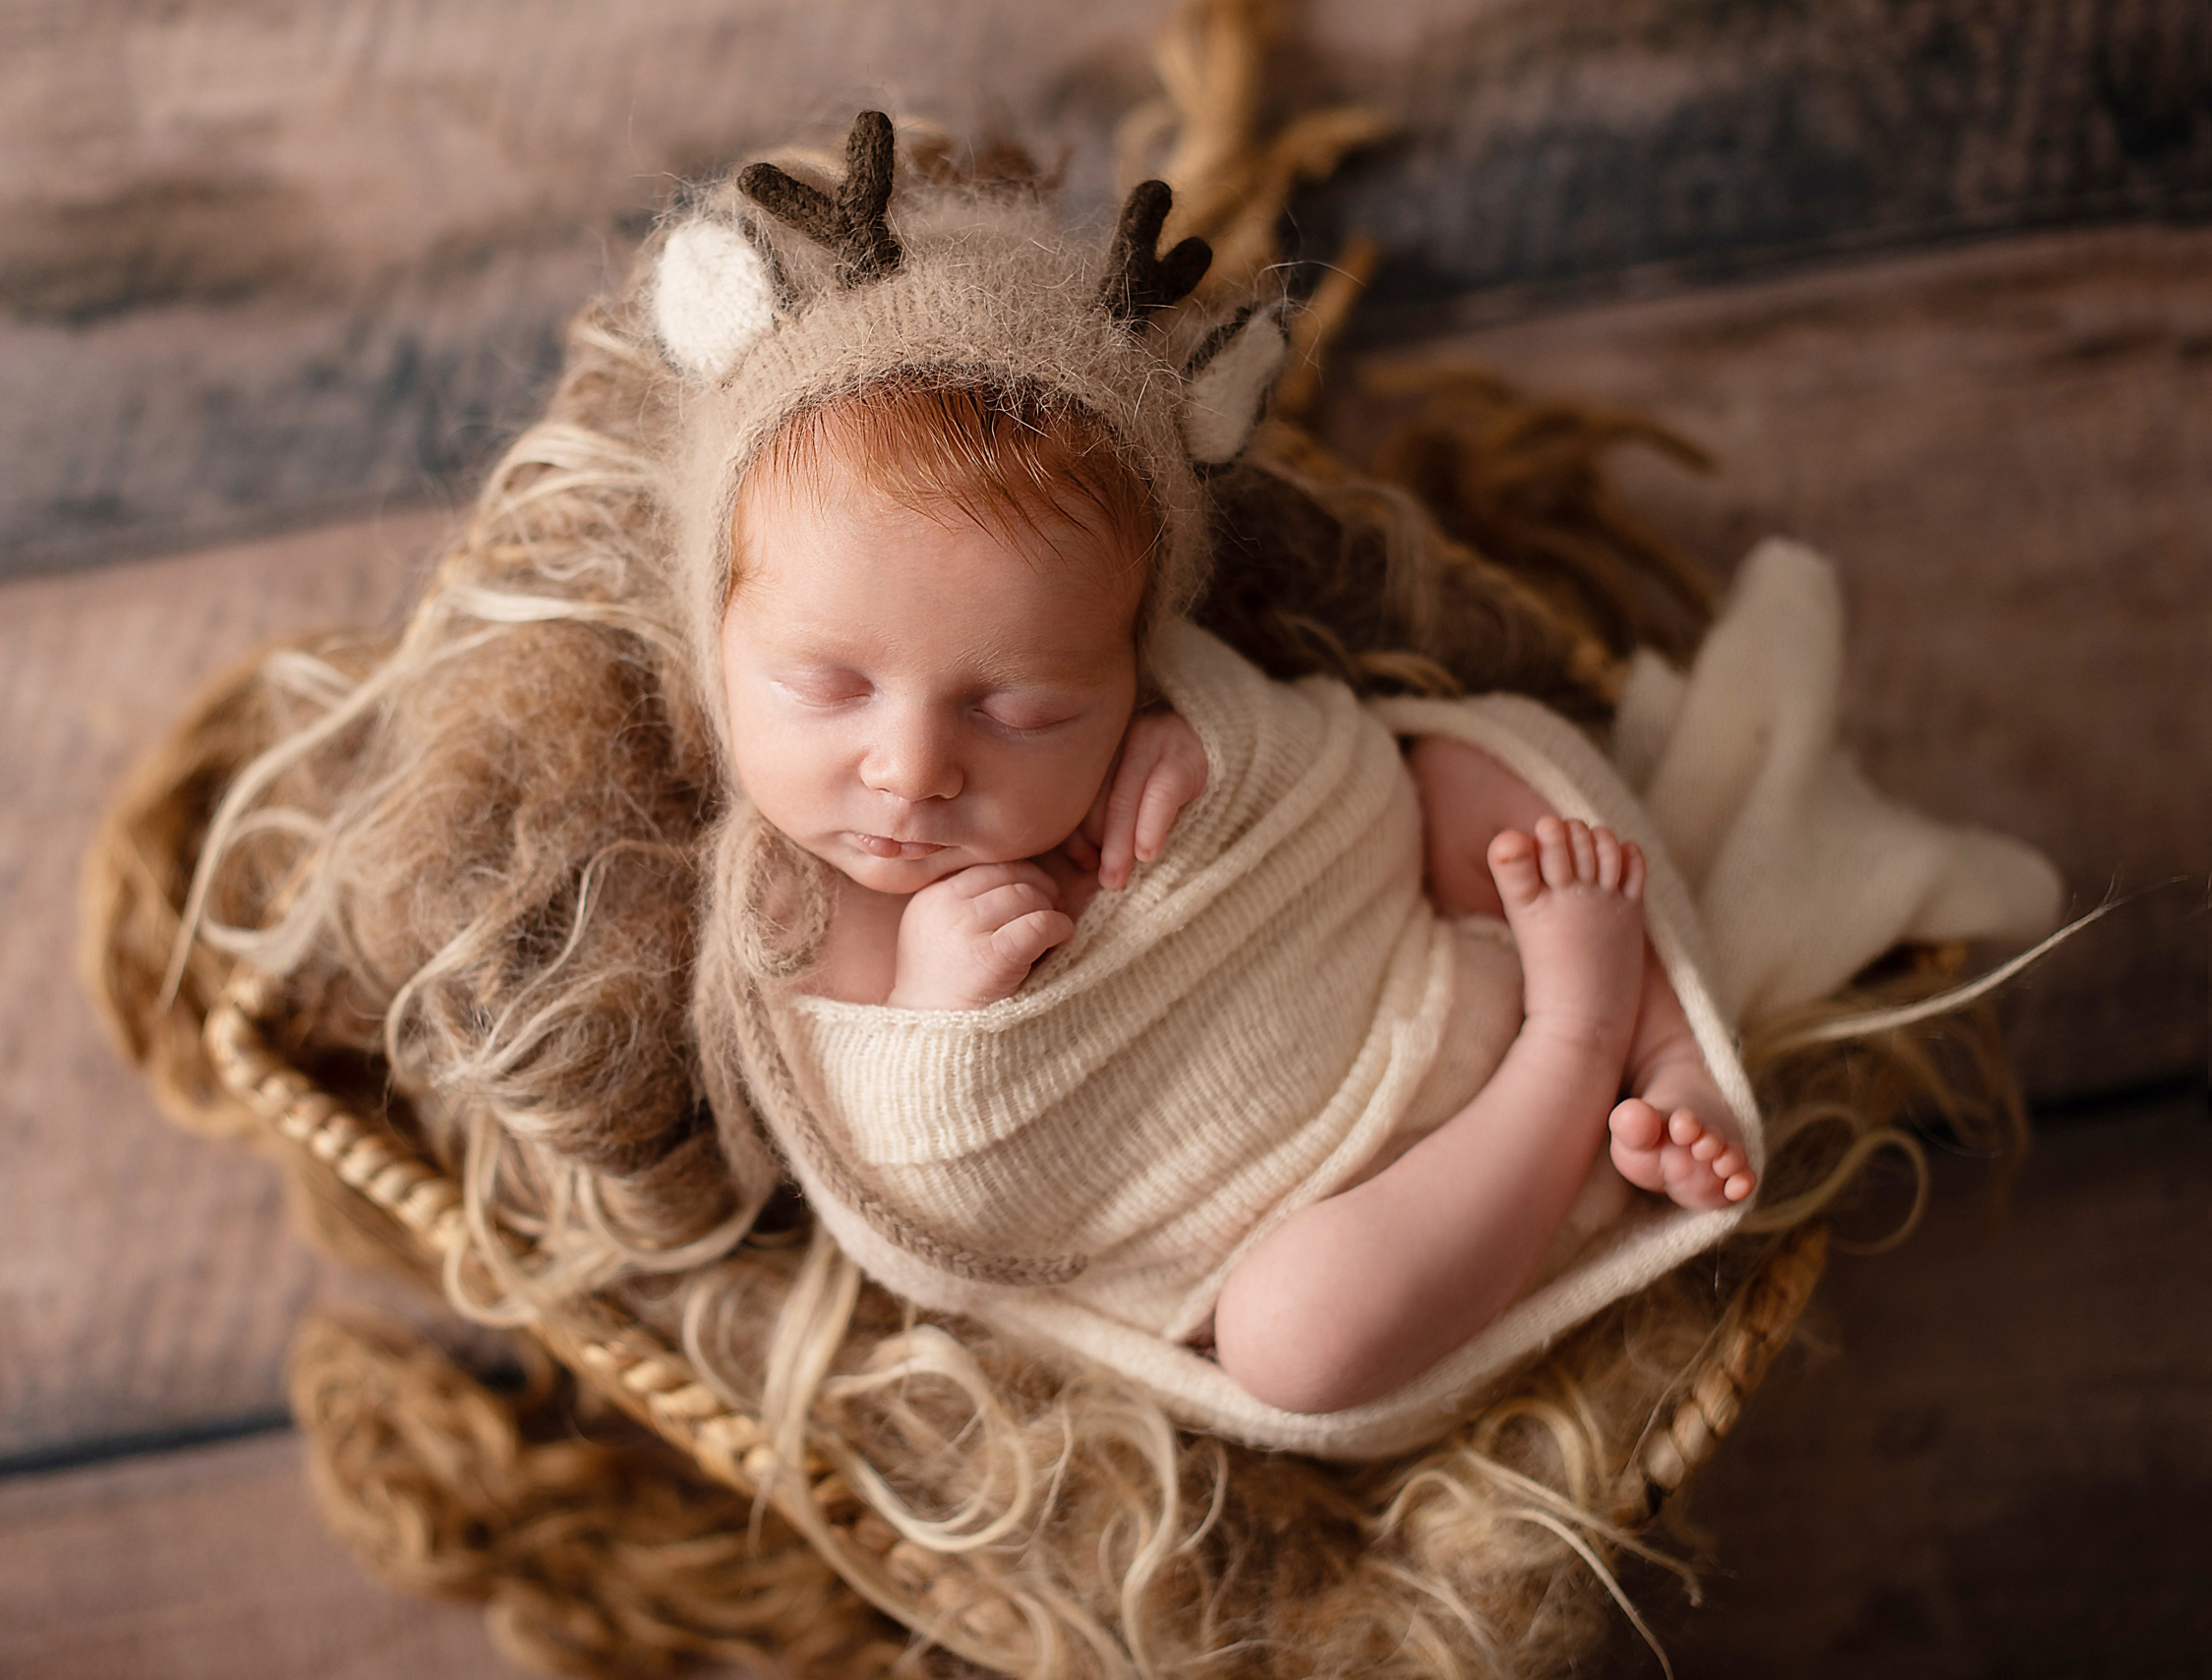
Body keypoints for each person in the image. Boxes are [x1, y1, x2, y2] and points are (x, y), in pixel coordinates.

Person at [713, 378, 1755, 1415]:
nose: (912, 767)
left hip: (1424, 943)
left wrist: (1212, 737)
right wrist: (932, 1023)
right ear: (719, 633)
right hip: (1375, 1222)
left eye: (1021, 710)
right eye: (828, 688)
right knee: (1293, 1341)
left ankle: (1672, 1057)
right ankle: (1579, 1040)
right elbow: (922, 1239)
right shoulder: (780, 921)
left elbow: (1335, 755)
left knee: (1453, 766)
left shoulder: (1145, 695)